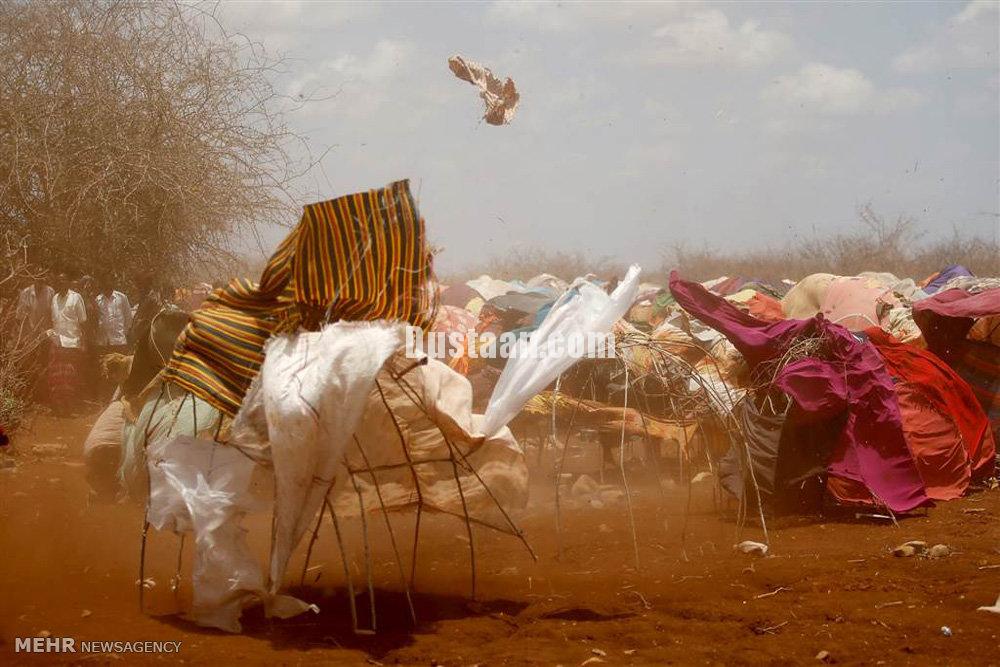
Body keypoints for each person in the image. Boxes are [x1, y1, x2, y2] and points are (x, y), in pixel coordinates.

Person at [48, 272, 88, 416]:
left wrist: (83, 343)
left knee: (72, 377)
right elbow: (53, 321)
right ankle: (58, 408)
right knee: (57, 378)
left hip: (72, 343)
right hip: (57, 343)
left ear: (68, 282)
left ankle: (72, 408)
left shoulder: (76, 298)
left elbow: (83, 321)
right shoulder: (54, 298)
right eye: (59, 281)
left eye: (63, 280)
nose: (61, 283)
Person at [95, 275, 133, 398]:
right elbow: (97, 320)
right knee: (105, 370)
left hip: (119, 340)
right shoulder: (98, 300)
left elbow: (128, 318)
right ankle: (106, 397)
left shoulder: (122, 298)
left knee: (120, 370)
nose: (108, 287)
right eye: (105, 284)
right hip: (104, 341)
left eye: (110, 284)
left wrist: (123, 333)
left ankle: (119, 397)